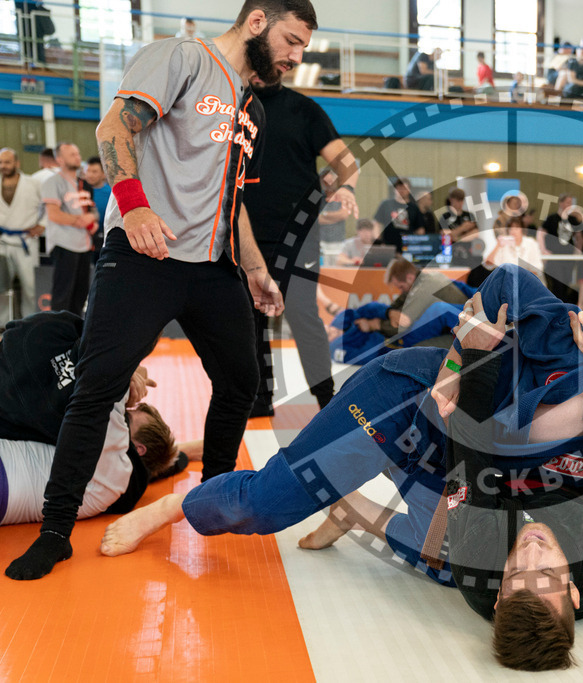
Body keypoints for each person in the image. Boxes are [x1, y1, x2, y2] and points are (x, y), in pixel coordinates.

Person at [98, 266, 583, 582]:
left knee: (458, 563)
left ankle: (349, 513)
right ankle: (176, 507)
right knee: (261, 510)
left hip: (444, 458)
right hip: (397, 409)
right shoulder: (577, 342)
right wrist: (457, 367)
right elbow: (507, 276)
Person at [5, 0, 316, 582]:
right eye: (293, 41)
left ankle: (214, 502)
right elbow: (113, 127)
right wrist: (135, 206)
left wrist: (253, 269)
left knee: (242, 383)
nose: (296, 58)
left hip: (213, 268)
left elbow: (234, 202)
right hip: (145, 255)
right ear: (258, 22)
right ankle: (55, 530)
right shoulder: (180, 58)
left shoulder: (255, 110)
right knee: (96, 389)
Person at [447, 306, 583, 670]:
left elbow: (467, 449)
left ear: (497, 596)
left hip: (500, 469)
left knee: (434, 389)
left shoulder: (475, 559)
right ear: (574, 592)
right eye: (548, 573)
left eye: (518, 573)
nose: (532, 551)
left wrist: (474, 354)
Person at [244, 80, 359, 416]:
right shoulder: (234, 104)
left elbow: (346, 161)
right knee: (251, 319)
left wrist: (347, 188)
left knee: (303, 315)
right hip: (245, 231)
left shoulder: (304, 109)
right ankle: (260, 398)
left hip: (298, 234)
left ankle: (327, 399)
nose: (290, 59)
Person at [0, 311, 180, 526]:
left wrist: (125, 373)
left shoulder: (115, 471)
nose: (123, 411)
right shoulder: (109, 475)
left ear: (138, 449)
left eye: (126, 418)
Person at [40, 142, 98, 316]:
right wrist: (79, 220)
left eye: (78, 153)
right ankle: (56, 336)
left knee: (80, 296)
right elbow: (54, 215)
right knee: (62, 295)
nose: (77, 157)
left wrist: (91, 218)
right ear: (60, 159)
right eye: (72, 154)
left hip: (85, 244)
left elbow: (93, 210)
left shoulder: (84, 183)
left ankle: (74, 335)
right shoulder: (52, 182)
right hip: (64, 244)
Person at [0, 148, 44, 323]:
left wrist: (43, 225)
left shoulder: (33, 183)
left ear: (17, 163)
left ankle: (30, 323)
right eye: (1, 162)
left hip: (26, 241)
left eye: (7, 162)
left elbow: (50, 205)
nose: (3, 166)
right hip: (2, 242)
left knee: (30, 288)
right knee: (1, 287)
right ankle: (2, 325)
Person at [538, 193, 580, 305]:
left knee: (566, 283)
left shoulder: (573, 219)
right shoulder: (551, 219)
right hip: (554, 258)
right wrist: (543, 250)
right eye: (567, 202)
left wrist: (578, 250)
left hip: (568, 258)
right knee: (557, 284)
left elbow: (579, 237)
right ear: (561, 203)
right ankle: (558, 307)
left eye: (571, 203)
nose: (569, 205)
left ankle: (563, 308)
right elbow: (540, 233)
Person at [374, 177, 424, 251]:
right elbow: (377, 224)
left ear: (409, 190)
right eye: (399, 188)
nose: (401, 191)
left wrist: (417, 244)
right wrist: (378, 242)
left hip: (407, 247)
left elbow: (420, 229)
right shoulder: (386, 204)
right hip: (388, 245)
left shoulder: (414, 208)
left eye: (404, 188)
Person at [82, 156, 111, 254]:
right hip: (82, 239)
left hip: (104, 240)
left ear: (103, 174)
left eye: (94, 172)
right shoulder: (78, 191)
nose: (90, 175)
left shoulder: (111, 193)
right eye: (88, 171)